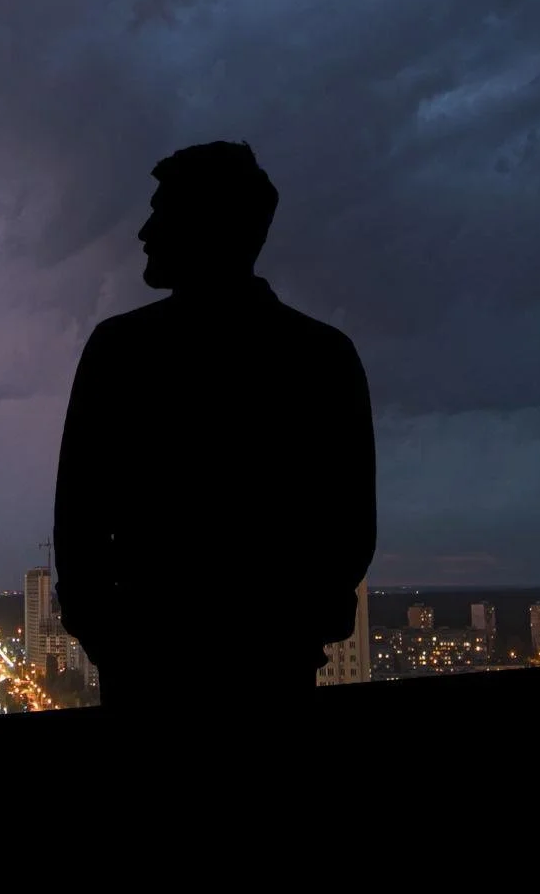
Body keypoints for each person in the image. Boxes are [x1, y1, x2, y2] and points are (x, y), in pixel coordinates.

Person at [52, 141, 375, 714]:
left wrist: (114, 638)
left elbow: (78, 518)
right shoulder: (323, 356)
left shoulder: (121, 351)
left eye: (163, 212)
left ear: (209, 225)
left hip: (165, 666)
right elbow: (347, 534)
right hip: (261, 663)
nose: (144, 232)